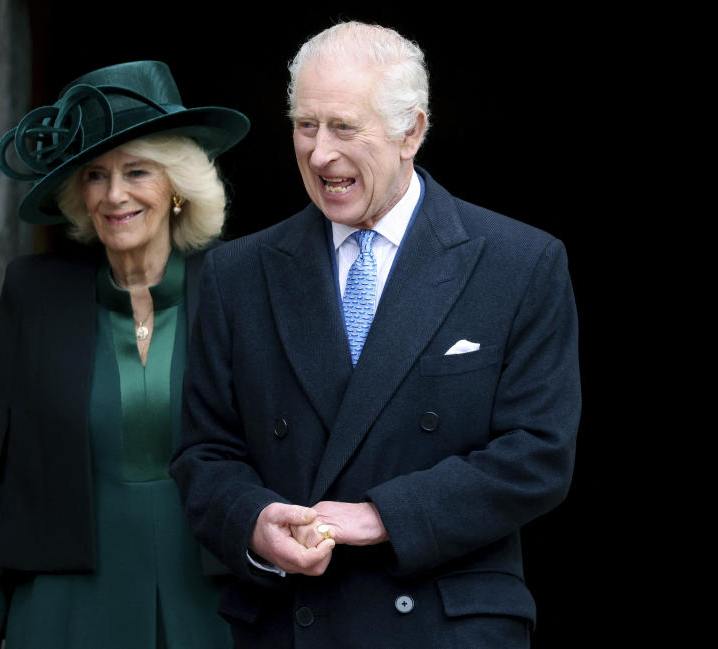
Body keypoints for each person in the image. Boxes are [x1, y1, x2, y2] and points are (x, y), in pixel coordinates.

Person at [169, 22, 581, 649]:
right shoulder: (236, 274)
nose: (319, 153)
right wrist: (254, 523)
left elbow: (539, 454)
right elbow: (204, 455)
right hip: (292, 621)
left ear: (411, 131)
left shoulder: (519, 263)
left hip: (445, 625)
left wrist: (384, 515)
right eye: (305, 126)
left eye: (343, 127)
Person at [0, 60, 249, 649]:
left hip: (212, 607)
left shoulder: (241, 287)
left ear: (178, 186)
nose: (115, 195)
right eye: (95, 176)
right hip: (66, 610)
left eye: (138, 171)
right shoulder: (35, 294)